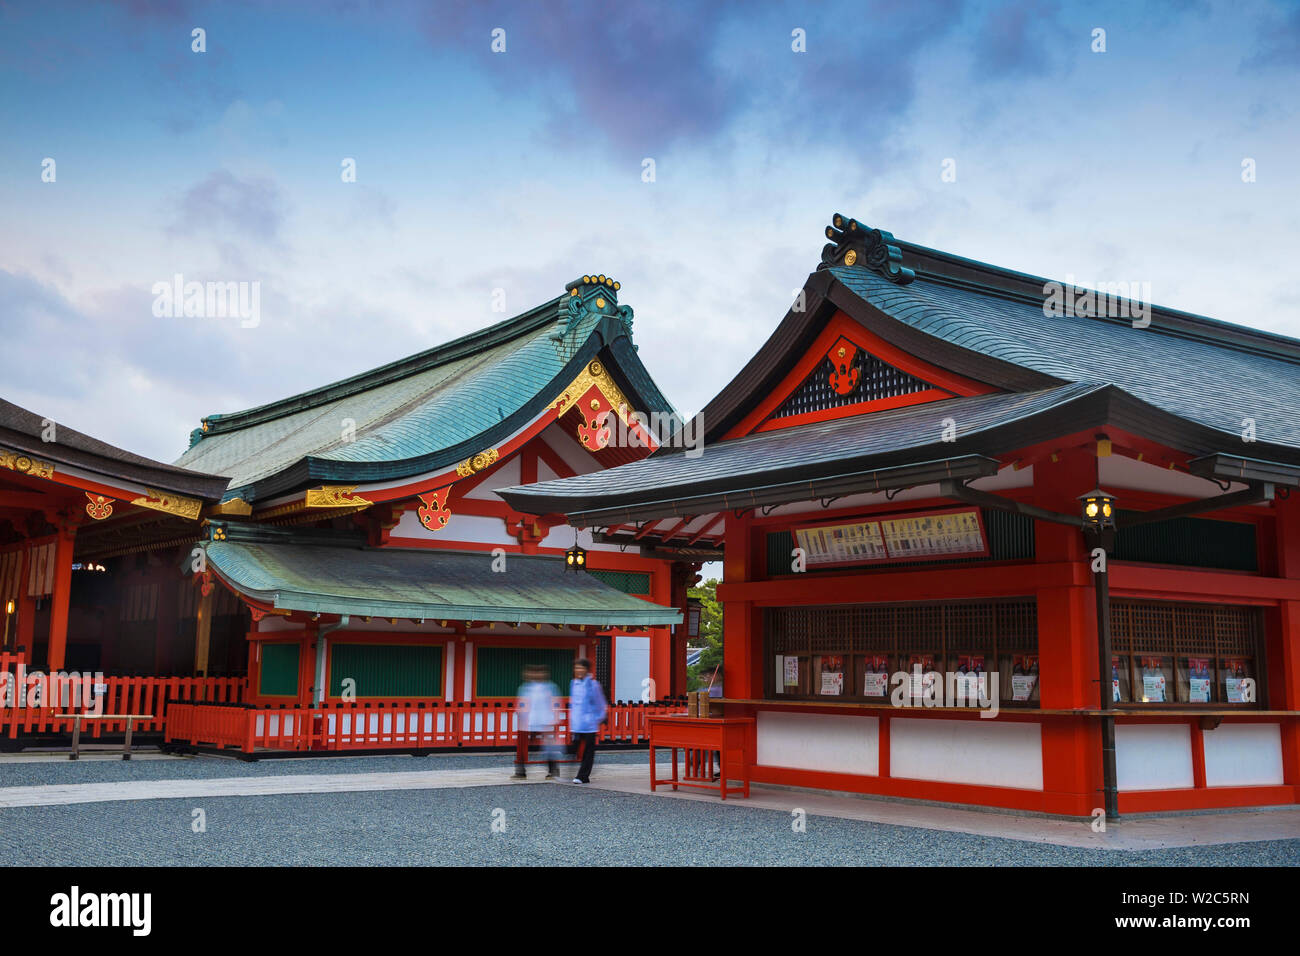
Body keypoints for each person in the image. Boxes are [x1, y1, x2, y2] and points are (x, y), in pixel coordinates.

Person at [514, 665, 560, 779]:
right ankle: (520, 771)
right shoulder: (525, 688)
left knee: (548, 746)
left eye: (539, 673)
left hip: (545, 719)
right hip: (529, 721)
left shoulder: (550, 687)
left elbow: (555, 702)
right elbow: (520, 703)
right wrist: (520, 713)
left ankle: (553, 770)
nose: (536, 675)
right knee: (522, 746)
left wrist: (554, 717)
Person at [568, 658, 607, 784]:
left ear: (586, 669)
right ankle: (581, 774)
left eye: (581, 668)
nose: (578, 670)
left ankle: (582, 776)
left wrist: (596, 718)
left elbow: (600, 703)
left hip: (589, 723)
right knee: (574, 749)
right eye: (576, 668)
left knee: (588, 751)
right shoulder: (573, 683)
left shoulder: (593, 685)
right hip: (577, 723)